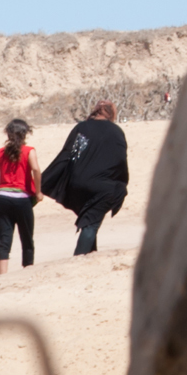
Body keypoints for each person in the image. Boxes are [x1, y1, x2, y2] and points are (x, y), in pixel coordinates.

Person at [43, 100, 131, 257]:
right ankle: (78, 258)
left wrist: (44, 180)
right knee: (91, 224)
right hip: (101, 186)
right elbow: (120, 161)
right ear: (111, 113)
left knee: (90, 218)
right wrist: (121, 183)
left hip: (78, 184)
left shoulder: (81, 128)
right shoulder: (116, 131)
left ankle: (90, 255)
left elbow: (70, 155)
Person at [0, 117, 39, 273]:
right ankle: (27, 271)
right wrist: (39, 191)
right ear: (25, 134)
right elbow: (36, 170)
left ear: (8, 134)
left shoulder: (0, 153)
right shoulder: (29, 151)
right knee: (27, 238)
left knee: (4, 240)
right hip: (23, 199)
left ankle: (3, 275)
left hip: (3, 198)